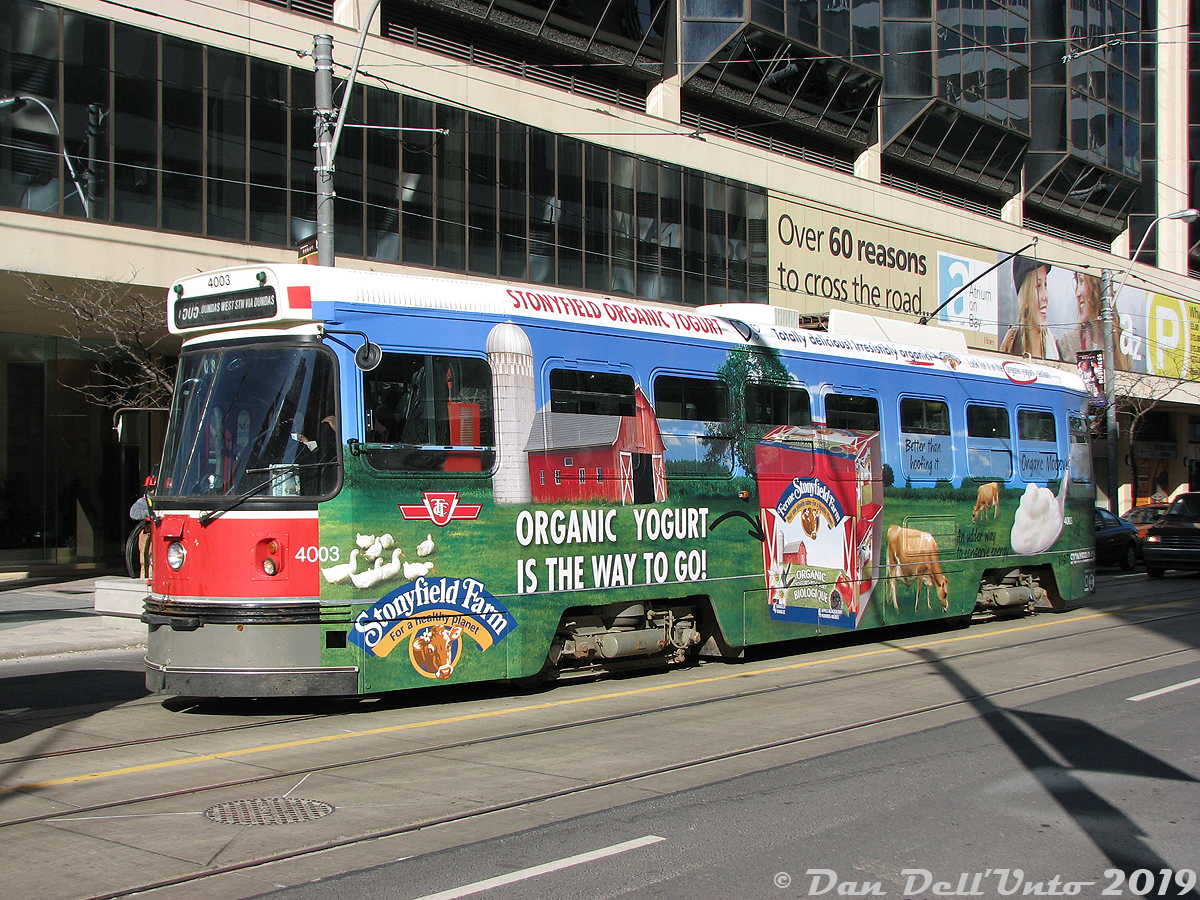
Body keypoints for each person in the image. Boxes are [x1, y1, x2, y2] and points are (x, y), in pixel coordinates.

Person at [1059, 270, 1130, 370]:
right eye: (1077, 283)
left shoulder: (1122, 342)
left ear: (1097, 286)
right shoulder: (1069, 343)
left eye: (1082, 281)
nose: (1077, 293)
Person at [1000, 256, 1061, 359]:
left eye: (1045, 285)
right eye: (1038, 286)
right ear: (1025, 295)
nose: (1045, 296)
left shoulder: (1056, 347)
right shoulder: (1012, 341)